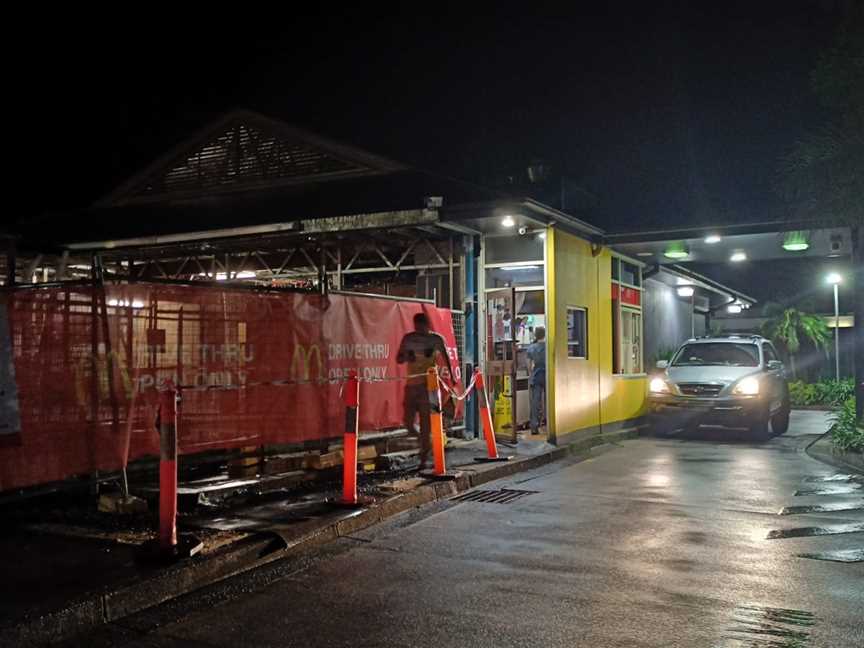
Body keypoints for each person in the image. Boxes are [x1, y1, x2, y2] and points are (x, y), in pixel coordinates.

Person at [397, 312, 453, 470]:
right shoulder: (408, 339)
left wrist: (453, 377)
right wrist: (407, 356)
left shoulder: (435, 339)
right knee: (408, 422)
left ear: (427, 325)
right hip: (411, 385)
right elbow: (398, 359)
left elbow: (446, 357)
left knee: (425, 423)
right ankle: (423, 442)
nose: (419, 329)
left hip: (428, 387)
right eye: (416, 326)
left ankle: (424, 457)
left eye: (421, 326)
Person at [526, 326, 546, 435]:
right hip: (548, 376)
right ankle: (550, 425)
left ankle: (534, 426)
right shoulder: (549, 346)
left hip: (536, 376)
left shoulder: (531, 348)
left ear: (535, 335)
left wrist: (530, 374)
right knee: (550, 401)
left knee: (535, 402)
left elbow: (528, 364)